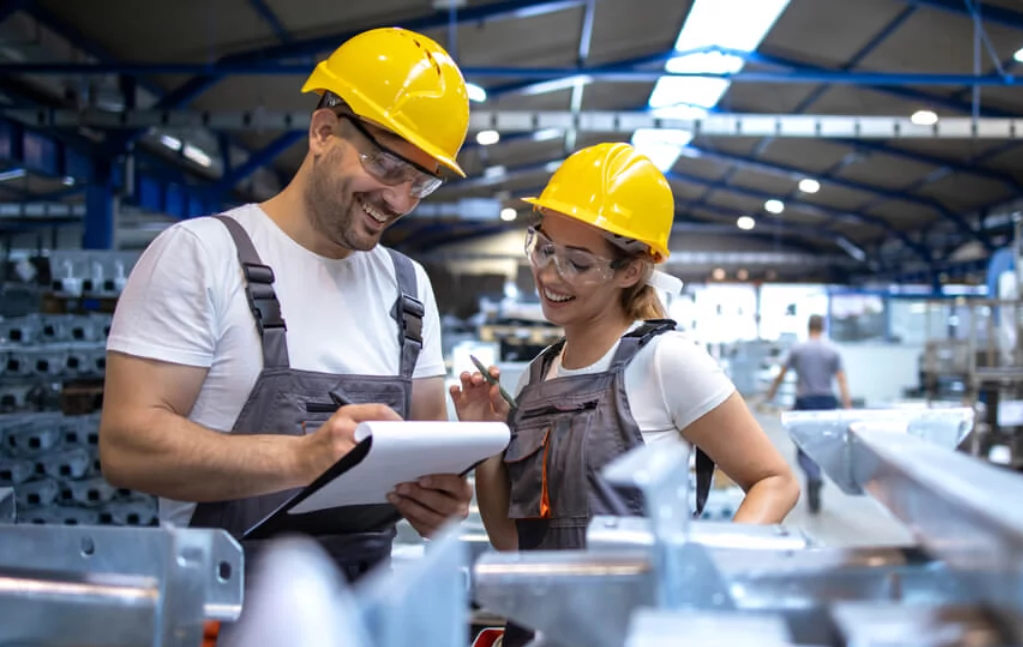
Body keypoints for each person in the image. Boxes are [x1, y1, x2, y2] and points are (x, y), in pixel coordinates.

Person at [98, 27, 474, 591]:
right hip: (221, 615)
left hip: (360, 614)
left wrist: (441, 502)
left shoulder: (409, 287)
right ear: (324, 131)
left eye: (421, 184)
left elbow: (423, 458)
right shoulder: (202, 255)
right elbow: (126, 447)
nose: (398, 201)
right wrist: (302, 459)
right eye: (387, 167)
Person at [451, 142, 801, 647]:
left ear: (631, 270)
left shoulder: (664, 361)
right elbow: (514, 546)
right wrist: (486, 440)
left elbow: (776, 481)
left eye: (577, 262)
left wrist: (702, 583)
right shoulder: (535, 378)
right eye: (544, 248)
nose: (550, 275)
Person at [764, 314, 852, 514]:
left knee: (804, 447)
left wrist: (771, 394)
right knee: (823, 444)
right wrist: (847, 405)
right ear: (823, 327)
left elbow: (782, 373)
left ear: (808, 326)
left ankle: (812, 475)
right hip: (827, 402)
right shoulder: (832, 350)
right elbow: (841, 379)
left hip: (804, 401)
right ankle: (817, 474)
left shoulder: (798, 349)